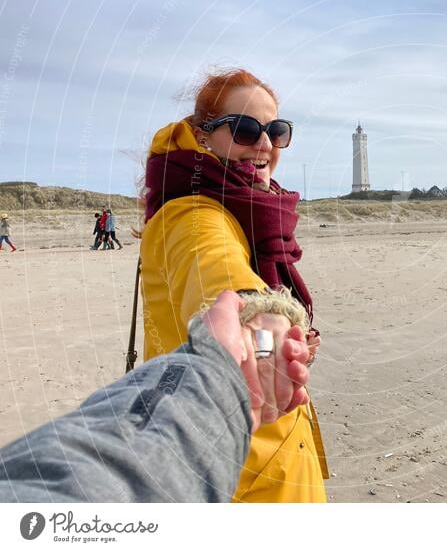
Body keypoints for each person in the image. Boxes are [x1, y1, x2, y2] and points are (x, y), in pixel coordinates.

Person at [140, 68, 327, 503]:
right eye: (244, 129)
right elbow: (218, 272)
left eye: (276, 131)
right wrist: (261, 326)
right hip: (238, 476)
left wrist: (291, 343)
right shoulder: (191, 215)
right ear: (203, 137)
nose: (264, 145)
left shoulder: (244, 210)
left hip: (267, 458)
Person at [0, 291, 312, 502]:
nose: (268, 187)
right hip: (249, 477)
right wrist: (221, 367)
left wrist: (223, 379)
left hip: (218, 450)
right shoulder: (197, 214)